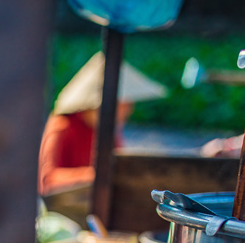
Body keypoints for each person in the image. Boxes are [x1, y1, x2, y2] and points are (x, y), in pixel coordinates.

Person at [38, 52, 168, 196]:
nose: (128, 110)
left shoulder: (107, 130)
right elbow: (47, 180)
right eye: (123, 103)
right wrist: (98, 174)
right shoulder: (62, 126)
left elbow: (117, 167)